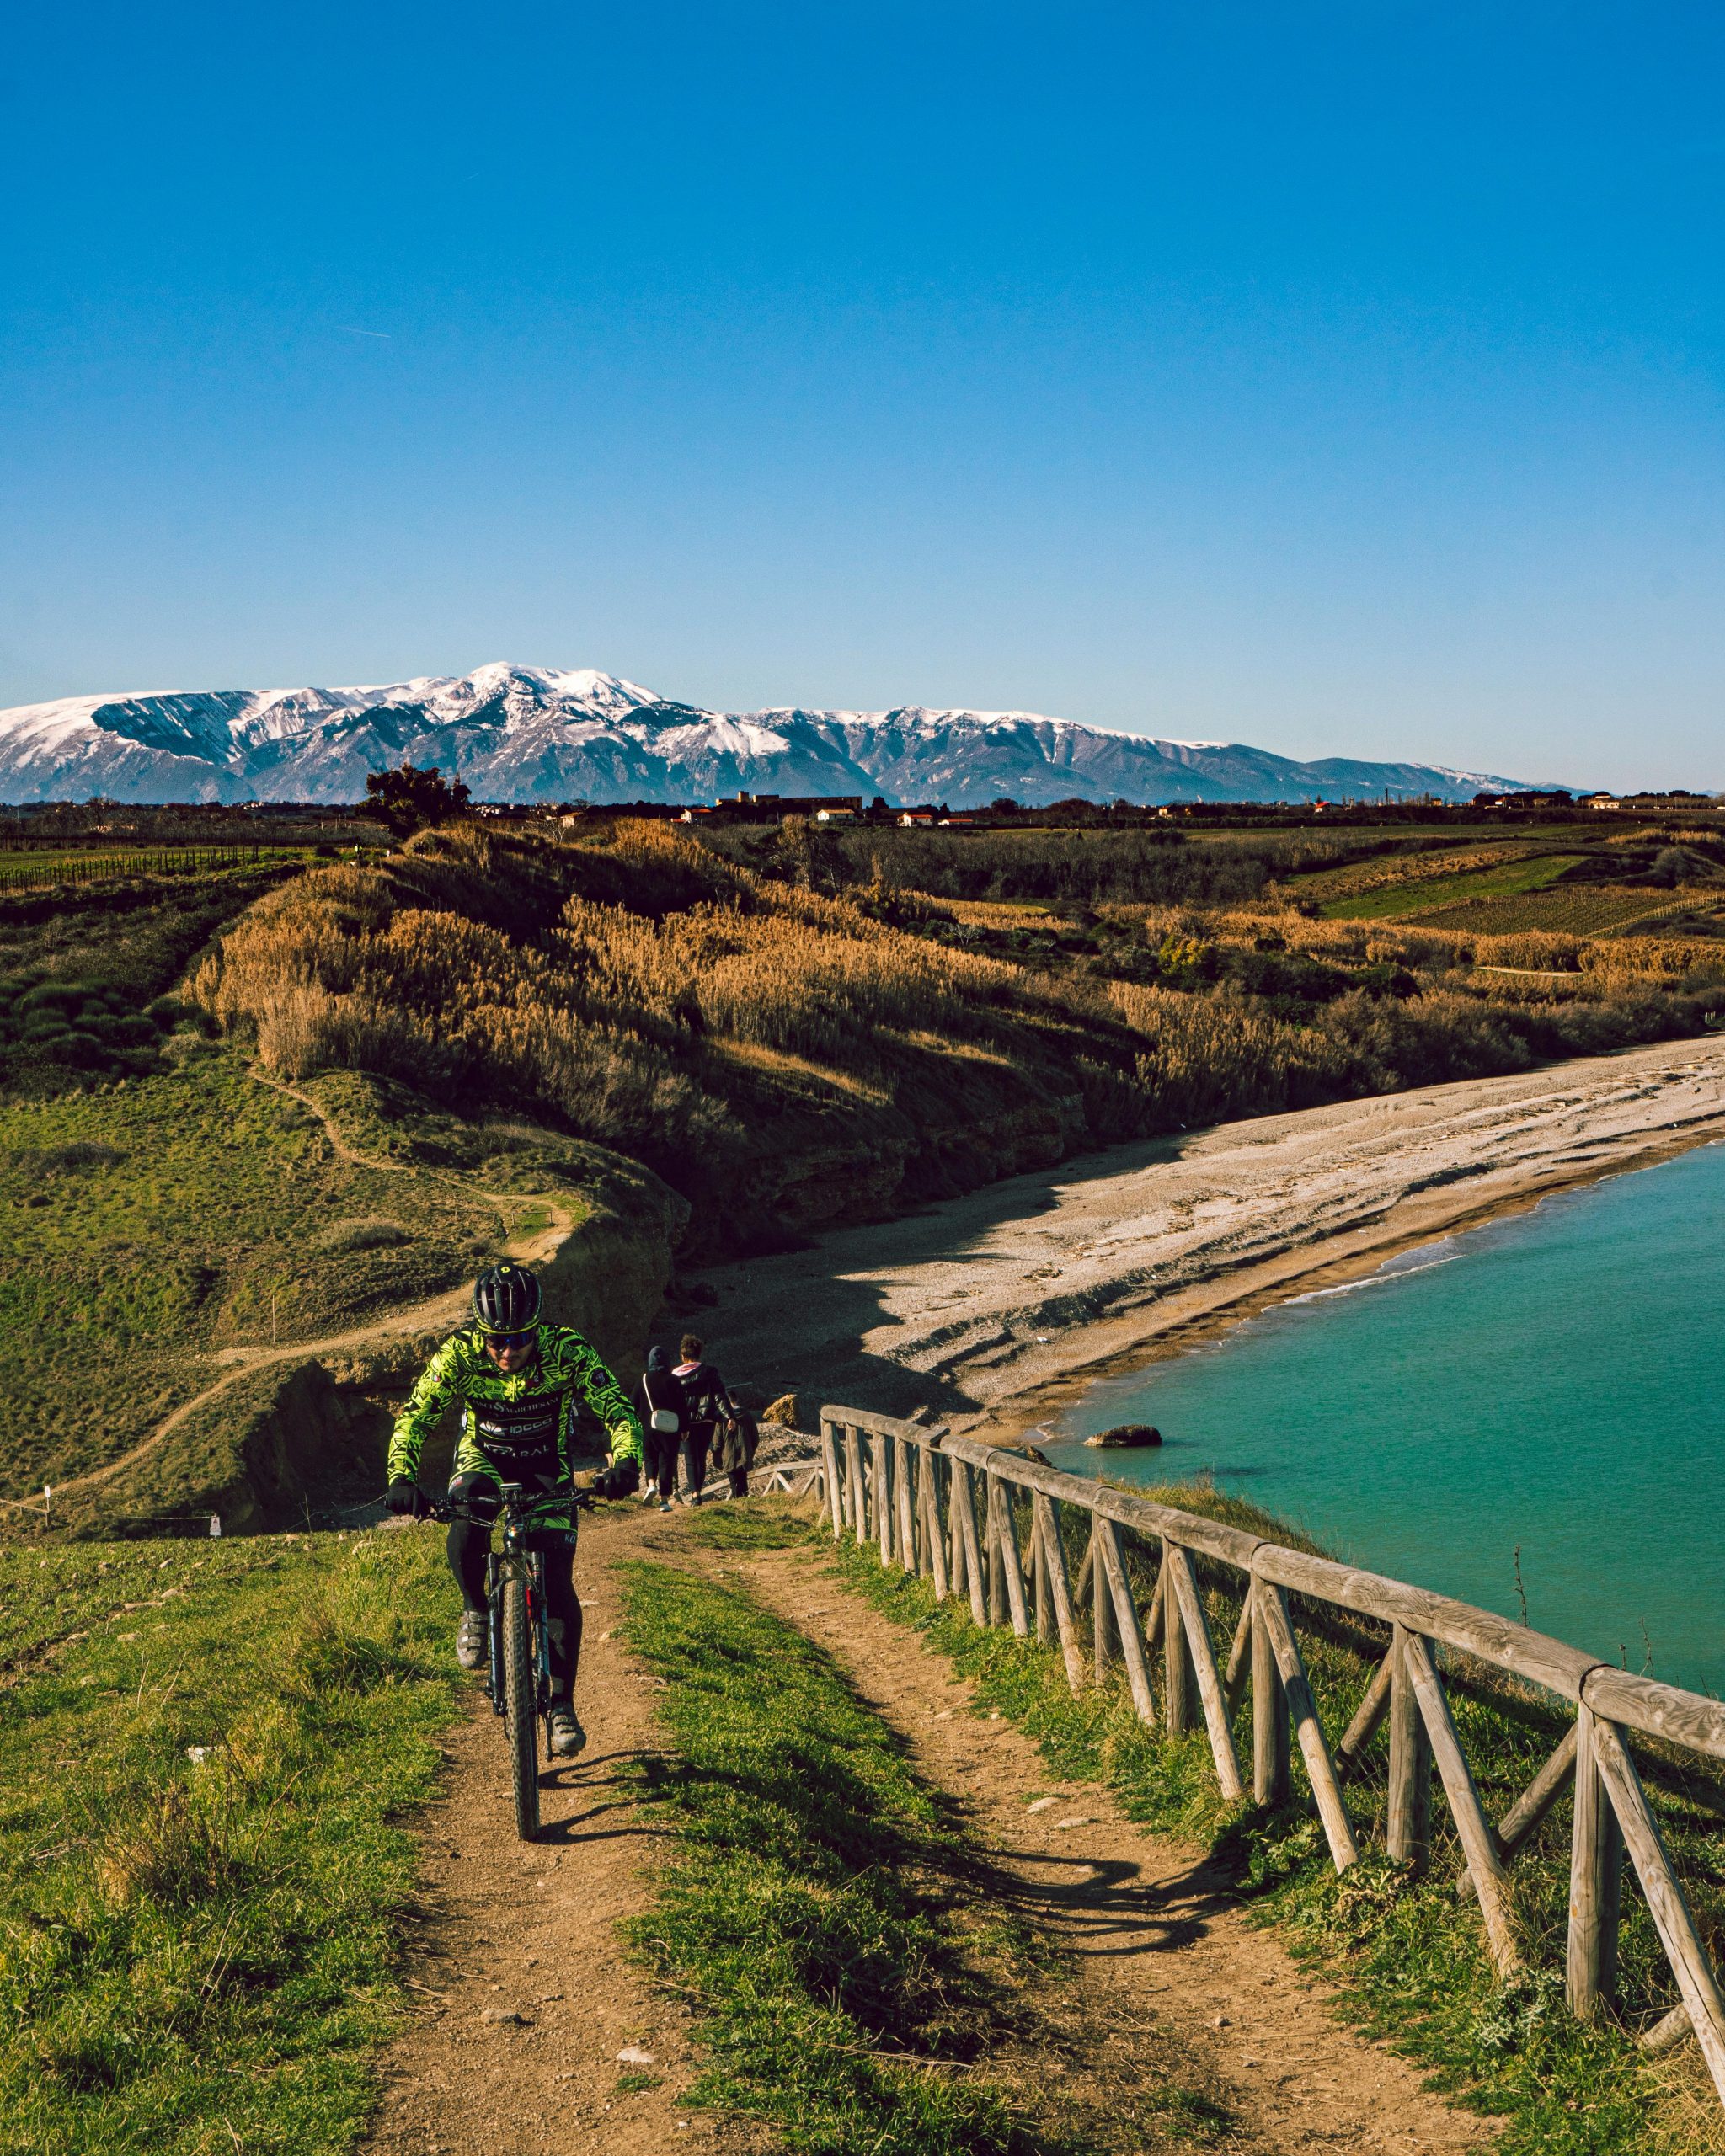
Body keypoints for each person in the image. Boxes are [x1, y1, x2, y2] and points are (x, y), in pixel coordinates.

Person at [384, 1262, 642, 1758]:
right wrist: (401, 1477)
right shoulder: (458, 1353)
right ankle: (476, 1609)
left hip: (547, 1463)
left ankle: (563, 1704)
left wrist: (626, 1462)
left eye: (519, 1339)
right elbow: (416, 1416)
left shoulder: (567, 1348)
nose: (506, 1351)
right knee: (465, 1525)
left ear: (537, 1327)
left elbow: (616, 1408)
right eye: (495, 1341)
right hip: (483, 1457)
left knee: (558, 1578)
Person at [671, 1333, 734, 1506]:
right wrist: (729, 1416)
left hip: (686, 1422)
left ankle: (694, 1494)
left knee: (690, 1458)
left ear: (683, 1356)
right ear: (699, 1354)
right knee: (701, 1456)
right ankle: (698, 1493)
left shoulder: (674, 1376)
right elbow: (720, 1396)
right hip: (707, 1421)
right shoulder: (709, 1372)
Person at [632, 1345, 686, 1513]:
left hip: (649, 1426)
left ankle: (651, 1484)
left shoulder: (644, 1379)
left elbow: (632, 1404)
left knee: (649, 1458)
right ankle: (664, 1501)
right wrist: (685, 1428)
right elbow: (682, 1406)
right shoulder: (673, 1380)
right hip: (670, 1428)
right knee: (666, 1461)